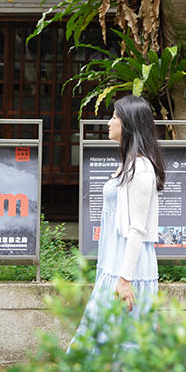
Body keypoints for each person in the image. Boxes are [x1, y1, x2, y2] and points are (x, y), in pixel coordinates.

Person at [70, 95, 164, 350]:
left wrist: (124, 280)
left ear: (130, 124)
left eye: (114, 116)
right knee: (102, 338)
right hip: (114, 267)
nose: (109, 122)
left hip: (127, 269)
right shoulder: (128, 165)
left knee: (122, 343)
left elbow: (137, 229)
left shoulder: (141, 170)